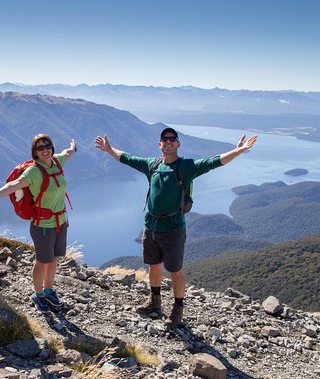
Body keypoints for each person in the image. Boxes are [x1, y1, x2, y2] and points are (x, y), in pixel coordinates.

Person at [94, 128, 257, 329]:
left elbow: (213, 162)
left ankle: (177, 309)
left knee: (175, 271)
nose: (168, 142)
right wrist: (109, 149)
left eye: (172, 139)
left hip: (173, 229)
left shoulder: (186, 167)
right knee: (153, 266)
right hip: (151, 226)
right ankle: (155, 302)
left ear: (178, 144)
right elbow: (128, 158)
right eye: (165, 139)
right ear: (159, 144)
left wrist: (237, 151)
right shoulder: (152, 165)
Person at [0, 134, 77, 312]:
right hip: (43, 225)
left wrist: (73, 147)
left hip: (60, 221)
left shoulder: (57, 162)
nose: (45, 150)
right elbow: (14, 185)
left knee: (53, 259)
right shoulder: (34, 171)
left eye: (48, 146)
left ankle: (49, 290)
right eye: (40, 148)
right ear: (35, 153)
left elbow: (67, 153)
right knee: (42, 260)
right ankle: (38, 295)